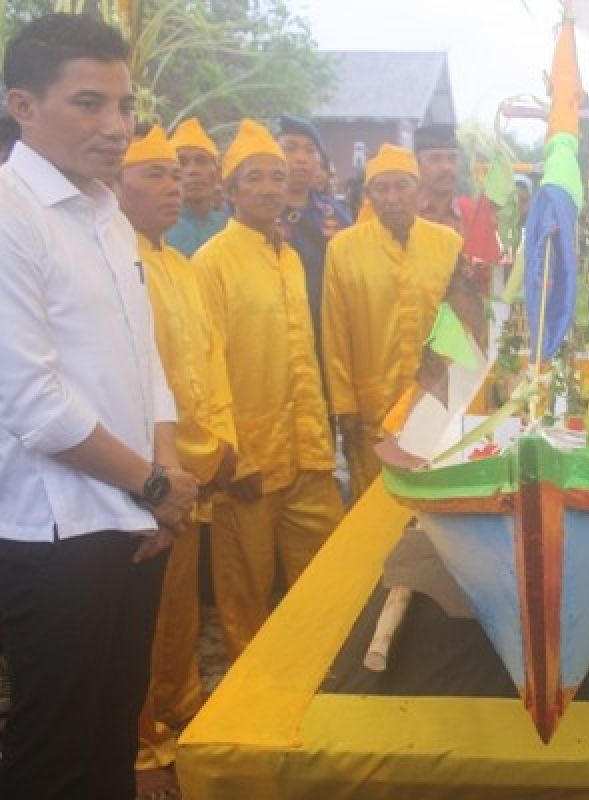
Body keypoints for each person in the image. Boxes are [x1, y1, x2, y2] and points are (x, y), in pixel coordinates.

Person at [0, 14, 199, 799]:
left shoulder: (107, 216)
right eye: (89, 104)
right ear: (22, 104)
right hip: (55, 532)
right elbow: (32, 401)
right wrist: (152, 486)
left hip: (131, 516)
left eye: (124, 106)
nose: (117, 129)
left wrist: (166, 489)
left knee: (113, 733)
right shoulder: (11, 216)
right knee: (56, 747)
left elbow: (144, 363)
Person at [114, 124, 239, 795]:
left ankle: (180, 706)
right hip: (147, 473)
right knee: (144, 617)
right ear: (117, 185)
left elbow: (209, 363)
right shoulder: (118, 261)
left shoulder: (181, 268)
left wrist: (219, 443)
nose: (173, 185)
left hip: (194, 468)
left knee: (183, 608)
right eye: (155, 174)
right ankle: (141, 742)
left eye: (176, 173)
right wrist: (185, 460)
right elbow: (140, 380)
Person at [193, 119, 344, 659]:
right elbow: (202, 368)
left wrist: (318, 440)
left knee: (326, 568)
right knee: (245, 589)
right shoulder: (211, 262)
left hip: (307, 452)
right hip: (249, 462)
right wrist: (230, 455)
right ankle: (248, 696)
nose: (269, 188)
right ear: (229, 192)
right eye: (254, 178)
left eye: (277, 177)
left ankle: (317, 672)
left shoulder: (291, 255)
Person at [322, 145, 463, 501]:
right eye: (381, 189)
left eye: (402, 186)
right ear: (369, 196)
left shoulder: (448, 244)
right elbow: (335, 331)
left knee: (432, 499)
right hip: (372, 405)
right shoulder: (344, 248)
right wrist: (344, 406)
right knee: (373, 502)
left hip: (434, 401)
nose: (392, 198)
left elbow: (462, 324)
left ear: (418, 191)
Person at [276, 114, 352, 347]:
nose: (301, 159)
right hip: (279, 336)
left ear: (319, 161)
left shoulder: (337, 214)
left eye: (310, 150)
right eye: (290, 149)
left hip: (330, 335)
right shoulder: (260, 215)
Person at [164, 117, 227, 257]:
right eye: (182, 162)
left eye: (201, 161)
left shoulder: (227, 226)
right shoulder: (158, 230)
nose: (192, 170)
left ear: (217, 173)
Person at [413, 122, 473, 235]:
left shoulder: (472, 213)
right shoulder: (404, 211)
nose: (446, 167)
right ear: (417, 164)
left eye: (452, 158)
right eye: (434, 159)